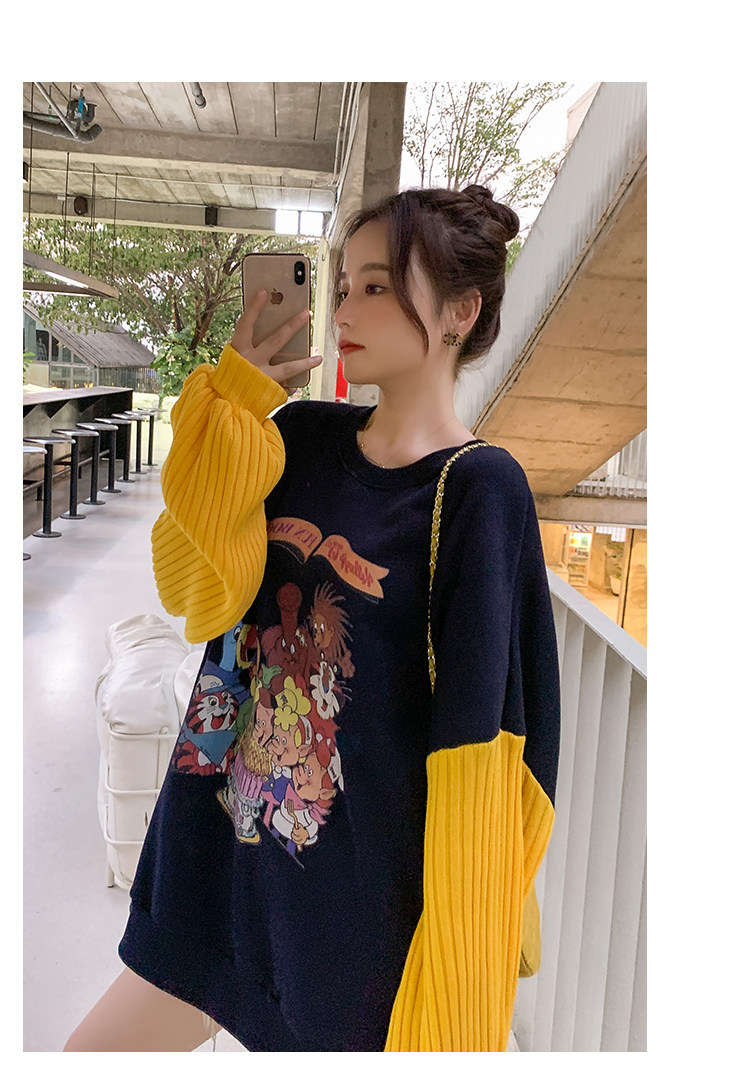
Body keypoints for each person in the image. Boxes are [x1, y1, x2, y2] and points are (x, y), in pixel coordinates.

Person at [64, 185, 560, 1052]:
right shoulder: (297, 437)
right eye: (343, 285)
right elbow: (194, 591)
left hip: (347, 928)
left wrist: (456, 975)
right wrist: (233, 402)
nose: (345, 309)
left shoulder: (480, 490)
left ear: (460, 312)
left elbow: (487, 748)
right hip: (215, 859)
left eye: (378, 286)